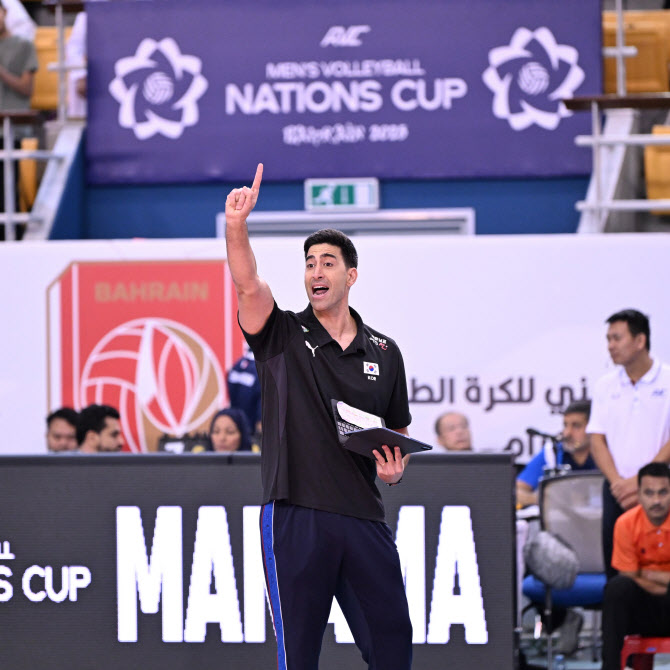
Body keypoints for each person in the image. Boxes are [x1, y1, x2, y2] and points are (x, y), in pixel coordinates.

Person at [225, 164, 413, 670]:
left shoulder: (385, 350)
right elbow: (248, 286)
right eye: (309, 264)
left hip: (363, 515)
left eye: (328, 263)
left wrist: (394, 468)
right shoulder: (282, 334)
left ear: (350, 276)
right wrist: (236, 227)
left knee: (393, 645)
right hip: (296, 514)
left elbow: (397, 432)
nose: (316, 273)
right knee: (299, 655)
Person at [588, 309, 670, 579]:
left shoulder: (667, 380)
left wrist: (642, 481)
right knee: (617, 574)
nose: (610, 346)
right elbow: (597, 438)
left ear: (640, 340)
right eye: (608, 339)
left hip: (661, 487)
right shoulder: (605, 385)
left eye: (617, 338)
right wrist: (618, 484)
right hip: (617, 490)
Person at [601, 462, 670, 670]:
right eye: (649, 493)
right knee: (617, 588)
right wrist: (665, 580)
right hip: (641, 612)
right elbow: (627, 576)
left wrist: (646, 573)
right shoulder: (625, 523)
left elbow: (635, 574)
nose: (656, 501)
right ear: (638, 495)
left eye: (663, 492)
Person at [517, 400, 596, 508]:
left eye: (576, 426)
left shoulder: (608, 454)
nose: (567, 433)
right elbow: (518, 490)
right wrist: (545, 499)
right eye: (565, 425)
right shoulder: (552, 453)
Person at [226, 347, 262, 439]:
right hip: (253, 431)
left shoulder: (237, 365)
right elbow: (263, 399)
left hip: (237, 427)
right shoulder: (262, 368)